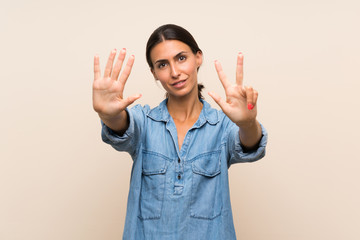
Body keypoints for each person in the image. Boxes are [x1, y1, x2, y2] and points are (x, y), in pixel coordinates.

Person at [92, 24, 268, 240]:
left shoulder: (222, 126)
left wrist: (248, 122)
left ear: (198, 57)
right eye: (163, 64)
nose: (175, 72)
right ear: (154, 73)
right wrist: (107, 114)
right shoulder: (144, 122)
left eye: (181, 58)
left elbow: (250, 144)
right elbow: (121, 125)